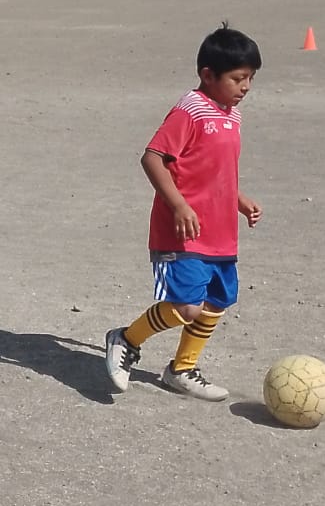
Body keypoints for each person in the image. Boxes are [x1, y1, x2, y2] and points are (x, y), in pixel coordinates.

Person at [103, 24, 264, 401]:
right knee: (186, 307)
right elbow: (153, 157)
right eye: (238, 78)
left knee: (217, 301)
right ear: (208, 75)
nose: (246, 87)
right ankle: (125, 339)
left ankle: (182, 369)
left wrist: (239, 200)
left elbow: (212, 170)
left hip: (220, 232)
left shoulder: (231, 117)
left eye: (251, 79)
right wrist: (177, 203)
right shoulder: (189, 111)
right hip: (184, 231)